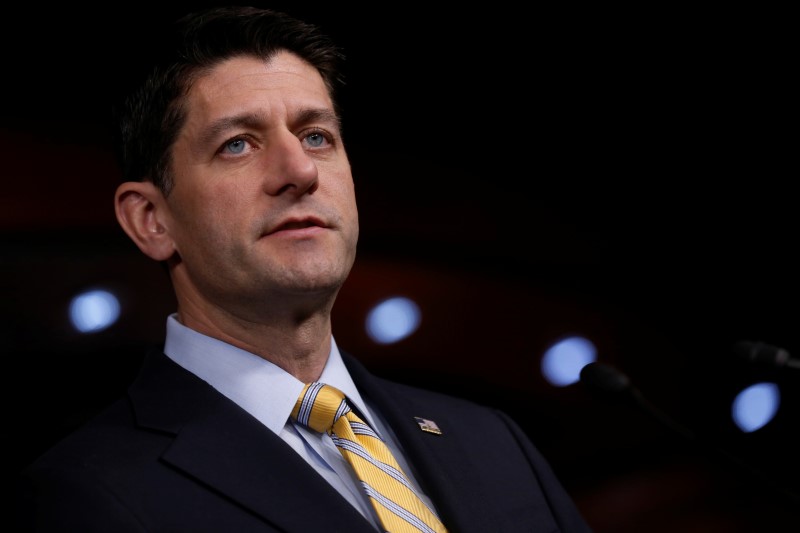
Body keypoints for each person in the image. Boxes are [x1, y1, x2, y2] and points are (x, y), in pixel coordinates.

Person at [16, 6, 593, 532]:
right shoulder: (86, 494)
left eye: (316, 136)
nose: (299, 171)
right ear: (151, 220)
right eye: (238, 144)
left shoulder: (494, 441)